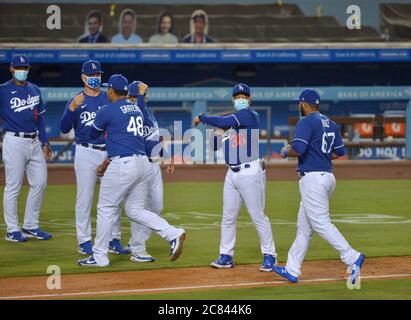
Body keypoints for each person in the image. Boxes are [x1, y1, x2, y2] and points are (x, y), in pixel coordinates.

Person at [78, 74, 185, 267]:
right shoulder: (136, 109)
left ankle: (99, 256)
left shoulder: (107, 109)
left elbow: (92, 133)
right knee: (136, 210)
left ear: (110, 90)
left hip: (123, 164)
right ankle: (173, 233)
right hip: (143, 164)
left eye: (107, 89)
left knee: (106, 208)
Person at [273, 89, 365, 284]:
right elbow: (339, 152)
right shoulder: (330, 122)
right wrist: (321, 156)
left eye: (300, 103)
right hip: (327, 177)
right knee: (304, 228)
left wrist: (283, 151)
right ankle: (292, 269)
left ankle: (351, 256)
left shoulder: (306, 121)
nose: (299, 105)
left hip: (313, 179)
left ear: (304, 104)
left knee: (321, 223)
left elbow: (298, 148)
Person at [192, 83, 277, 272]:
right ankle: (226, 256)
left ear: (249, 99)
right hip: (231, 173)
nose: (241, 99)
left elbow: (223, 121)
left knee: (258, 216)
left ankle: (270, 255)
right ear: (232, 99)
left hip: (250, 171)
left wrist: (203, 117)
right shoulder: (231, 123)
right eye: (237, 96)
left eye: (244, 96)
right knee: (228, 217)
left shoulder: (250, 115)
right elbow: (215, 146)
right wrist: (216, 133)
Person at [60, 60, 129, 255]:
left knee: (113, 197)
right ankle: (84, 241)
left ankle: (114, 239)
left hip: (108, 152)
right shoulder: (77, 99)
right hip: (85, 151)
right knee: (85, 198)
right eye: (92, 75)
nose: (96, 78)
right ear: (83, 77)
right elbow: (64, 128)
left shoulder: (108, 98)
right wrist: (71, 108)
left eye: (98, 75)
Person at [0, 54, 52, 242]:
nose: (23, 71)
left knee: (40, 183)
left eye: (25, 68)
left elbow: (41, 118)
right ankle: (12, 230)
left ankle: (30, 225)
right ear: (11, 69)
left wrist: (45, 142)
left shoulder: (34, 89)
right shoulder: (3, 90)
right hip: (14, 141)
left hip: (34, 141)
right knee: (13, 187)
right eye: (19, 68)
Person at [126, 80, 175, 262]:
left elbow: (153, 139)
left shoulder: (148, 112)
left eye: (144, 95)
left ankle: (135, 241)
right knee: (139, 208)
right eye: (140, 95)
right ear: (131, 97)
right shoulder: (133, 113)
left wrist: (167, 156)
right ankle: (138, 248)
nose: (143, 97)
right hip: (140, 164)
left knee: (157, 207)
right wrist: (138, 94)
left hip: (154, 165)